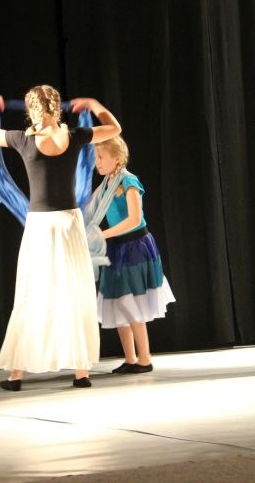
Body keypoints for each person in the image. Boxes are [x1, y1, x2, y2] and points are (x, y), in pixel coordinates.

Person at [0, 85, 122, 390]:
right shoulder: (75, 136)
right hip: (69, 224)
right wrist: (93, 103)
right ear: (56, 107)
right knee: (74, 293)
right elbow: (115, 128)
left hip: (40, 226)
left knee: (32, 294)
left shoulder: (23, 139)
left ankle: (16, 375)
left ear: (31, 110)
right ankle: (81, 373)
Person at [92, 135, 175, 373]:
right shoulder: (106, 183)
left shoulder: (129, 181)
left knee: (129, 303)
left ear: (117, 159)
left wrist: (102, 235)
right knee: (118, 302)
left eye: (101, 157)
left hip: (135, 247)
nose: (97, 162)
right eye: (96, 157)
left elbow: (135, 220)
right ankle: (130, 358)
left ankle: (145, 358)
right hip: (117, 248)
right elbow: (89, 207)